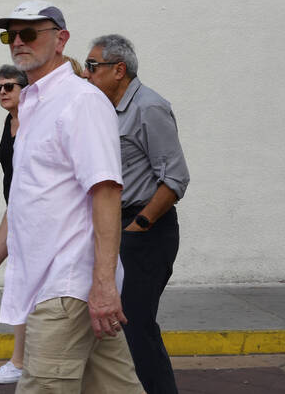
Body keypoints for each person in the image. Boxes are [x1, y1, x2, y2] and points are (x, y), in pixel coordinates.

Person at [0, 0, 142, 393]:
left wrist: (103, 284)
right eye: (11, 35)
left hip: (68, 286)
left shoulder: (81, 101)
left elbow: (107, 192)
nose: (18, 43)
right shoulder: (34, 106)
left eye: (29, 33)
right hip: (53, 283)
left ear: (61, 39)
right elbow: (26, 200)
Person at [84, 35, 189, 394]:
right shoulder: (102, 108)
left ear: (119, 70)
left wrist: (138, 225)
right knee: (113, 325)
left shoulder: (149, 107)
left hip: (146, 231)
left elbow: (175, 178)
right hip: (117, 226)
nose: (86, 73)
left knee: (136, 323)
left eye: (93, 66)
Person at [0, 64, 28, 385]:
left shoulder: (33, 123)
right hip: (18, 214)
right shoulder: (8, 121)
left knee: (26, 288)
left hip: (33, 217)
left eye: (9, 87)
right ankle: (23, 361)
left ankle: (21, 362)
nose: (2, 92)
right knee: (23, 288)